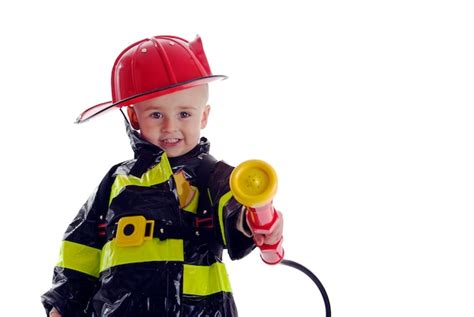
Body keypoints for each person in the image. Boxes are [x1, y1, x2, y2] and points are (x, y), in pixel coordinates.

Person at [41, 35, 283, 317]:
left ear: (203, 117)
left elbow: (234, 208)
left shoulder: (215, 177)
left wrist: (253, 221)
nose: (170, 127)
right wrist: (63, 305)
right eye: (156, 114)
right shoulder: (117, 181)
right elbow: (80, 248)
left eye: (184, 114)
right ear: (134, 118)